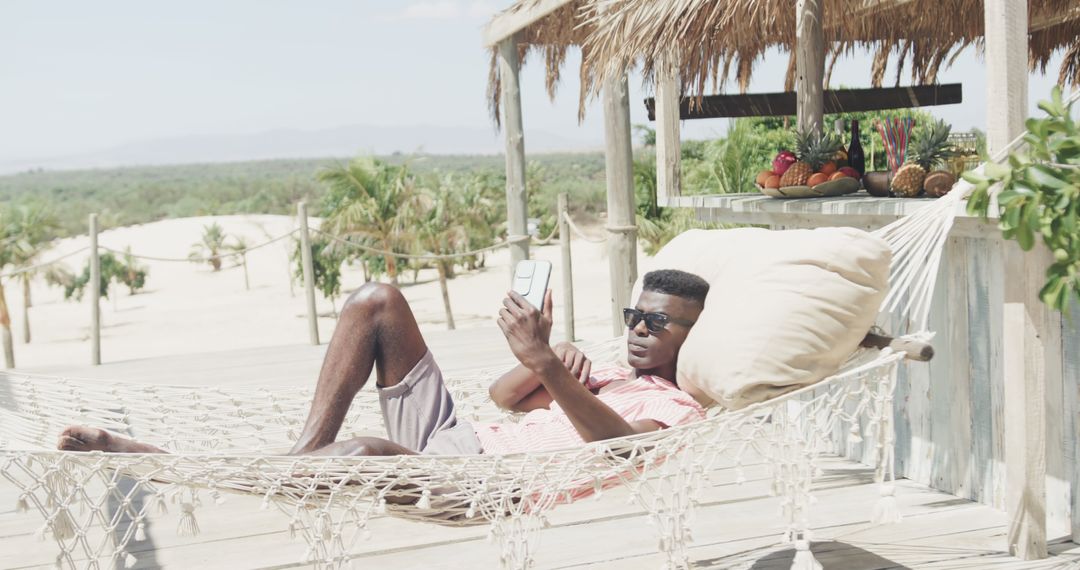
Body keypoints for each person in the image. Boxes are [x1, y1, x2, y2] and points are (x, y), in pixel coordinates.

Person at [57, 269, 709, 457]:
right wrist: (542, 360)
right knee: (377, 301)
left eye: (658, 322)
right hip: (454, 436)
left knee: (361, 457)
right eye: (635, 316)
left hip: (480, 484)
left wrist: (553, 367)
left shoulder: (675, 406)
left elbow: (626, 452)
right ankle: (297, 461)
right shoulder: (606, 379)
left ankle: (161, 460)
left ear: (694, 335)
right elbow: (506, 396)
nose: (640, 329)